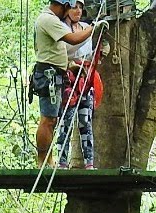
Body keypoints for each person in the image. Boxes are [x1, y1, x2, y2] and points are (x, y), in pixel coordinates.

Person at [33, 0, 96, 167]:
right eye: (69, 7)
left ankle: (48, 159)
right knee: (48, 120)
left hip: (54, 73)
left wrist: (70, 66)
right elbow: (73, 39)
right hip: (49, 75)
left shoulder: (50, 20)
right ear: (63, 6)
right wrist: (93, 27)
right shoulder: (49, 19)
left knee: (51, 119)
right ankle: (43, 161)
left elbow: (56, 51)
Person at [56, 0, 99, 168]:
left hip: (85, 80)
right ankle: (62, 161)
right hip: (68, 78)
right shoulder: (61, 28)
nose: (78, 10)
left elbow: (88, 53)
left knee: (85, 121)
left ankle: (89, 163)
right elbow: (67, 49)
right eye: (75, 7)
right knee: (65, 121)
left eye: (81, 7)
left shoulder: (84, 27)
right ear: (67, 8)